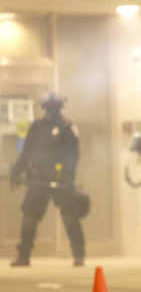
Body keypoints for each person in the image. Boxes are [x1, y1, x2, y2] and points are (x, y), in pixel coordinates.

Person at [10, 93, 85, 267]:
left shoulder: (67, 127)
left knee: (69, 216)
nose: (51, 110)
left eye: (54, 106)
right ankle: (24, 256)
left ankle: (78, 254)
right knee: (29, 217)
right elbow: (27, 152)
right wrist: (16, 170)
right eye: (48, 106)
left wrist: (68, 175)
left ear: (60, 107)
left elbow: (73, 155)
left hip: (61, 179)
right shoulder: (36, 127)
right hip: (39, 180)